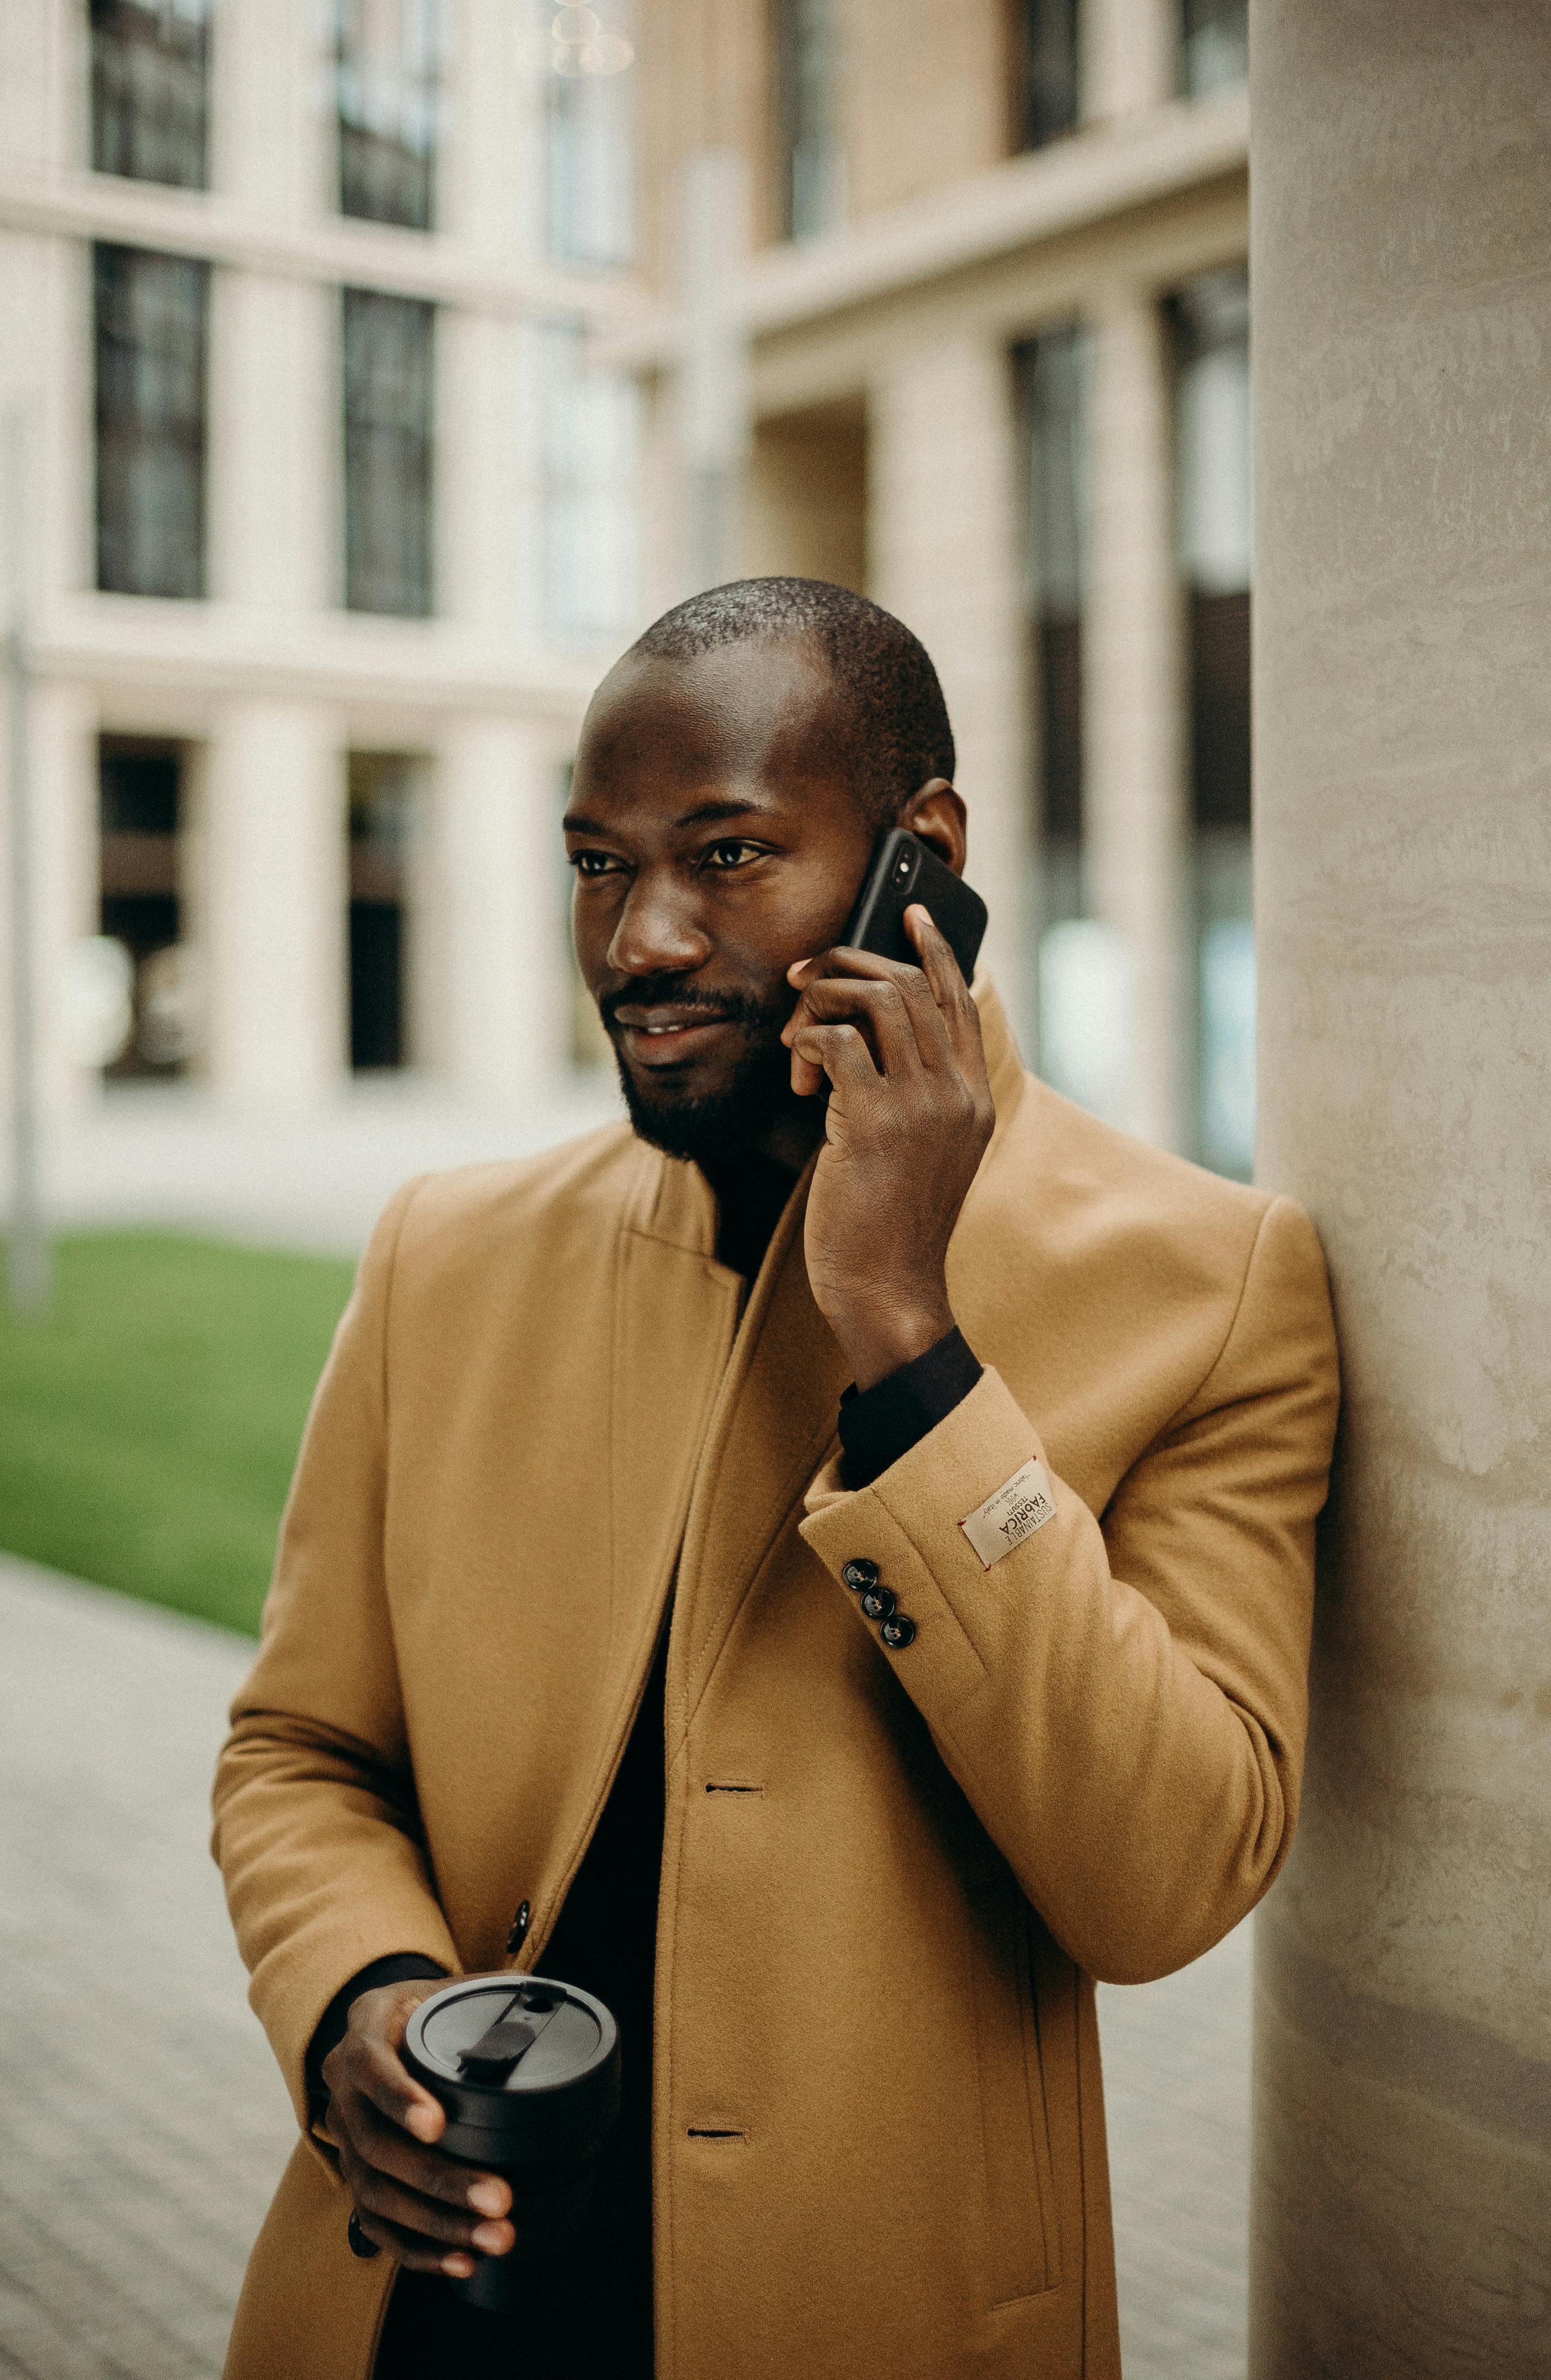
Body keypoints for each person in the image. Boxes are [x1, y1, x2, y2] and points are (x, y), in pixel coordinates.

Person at [213, 578, 1339, 2380]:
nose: (640, 939)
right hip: (417, 2319)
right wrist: (353, 1989)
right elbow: (300, 1751)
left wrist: (909, 1334)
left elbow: (1165, 1880)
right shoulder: (445, 1256)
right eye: (600, 862)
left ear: (924, 857)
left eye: (727, 854)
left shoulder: (1211, 1288)